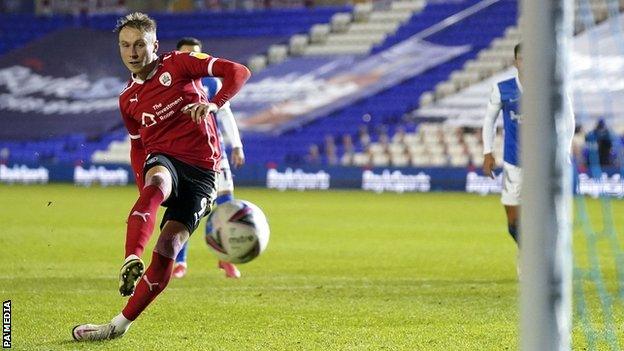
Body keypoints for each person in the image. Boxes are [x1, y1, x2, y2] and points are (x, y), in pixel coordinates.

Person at [72, 12, 250, 341]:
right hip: (164, 158)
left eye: (140, 44)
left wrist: (214, 103)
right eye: (125, 45)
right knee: (157, 182)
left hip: (204, 172)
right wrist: (145, 190)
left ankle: (117, 326)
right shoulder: (128, 100)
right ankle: (131, 258)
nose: (132, 52)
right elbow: (137, 148)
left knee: (169, 244)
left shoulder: (180, 63)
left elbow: (238, 72)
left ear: (154, 44)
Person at [482, 43, 574, 249]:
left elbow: (568, 117)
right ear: (515, 62)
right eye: (522, 58)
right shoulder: (502, 88)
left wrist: (565, 151)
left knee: (546, 215)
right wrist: (487, 152)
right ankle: (529, 252)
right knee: (513, 223)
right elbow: (489, 120)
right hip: (513, 163)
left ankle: (541, 259)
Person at [173, 37, 244, 279]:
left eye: (197, 54)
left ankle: (226, 259)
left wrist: (236, 145)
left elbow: (225, 113)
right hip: (186, 156)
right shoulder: (170, 83)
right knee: (185, 208)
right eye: (187, 54)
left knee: (226, 208)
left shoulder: (212, 83)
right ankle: (180, 262)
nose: (193, 59)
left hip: (216, 154)